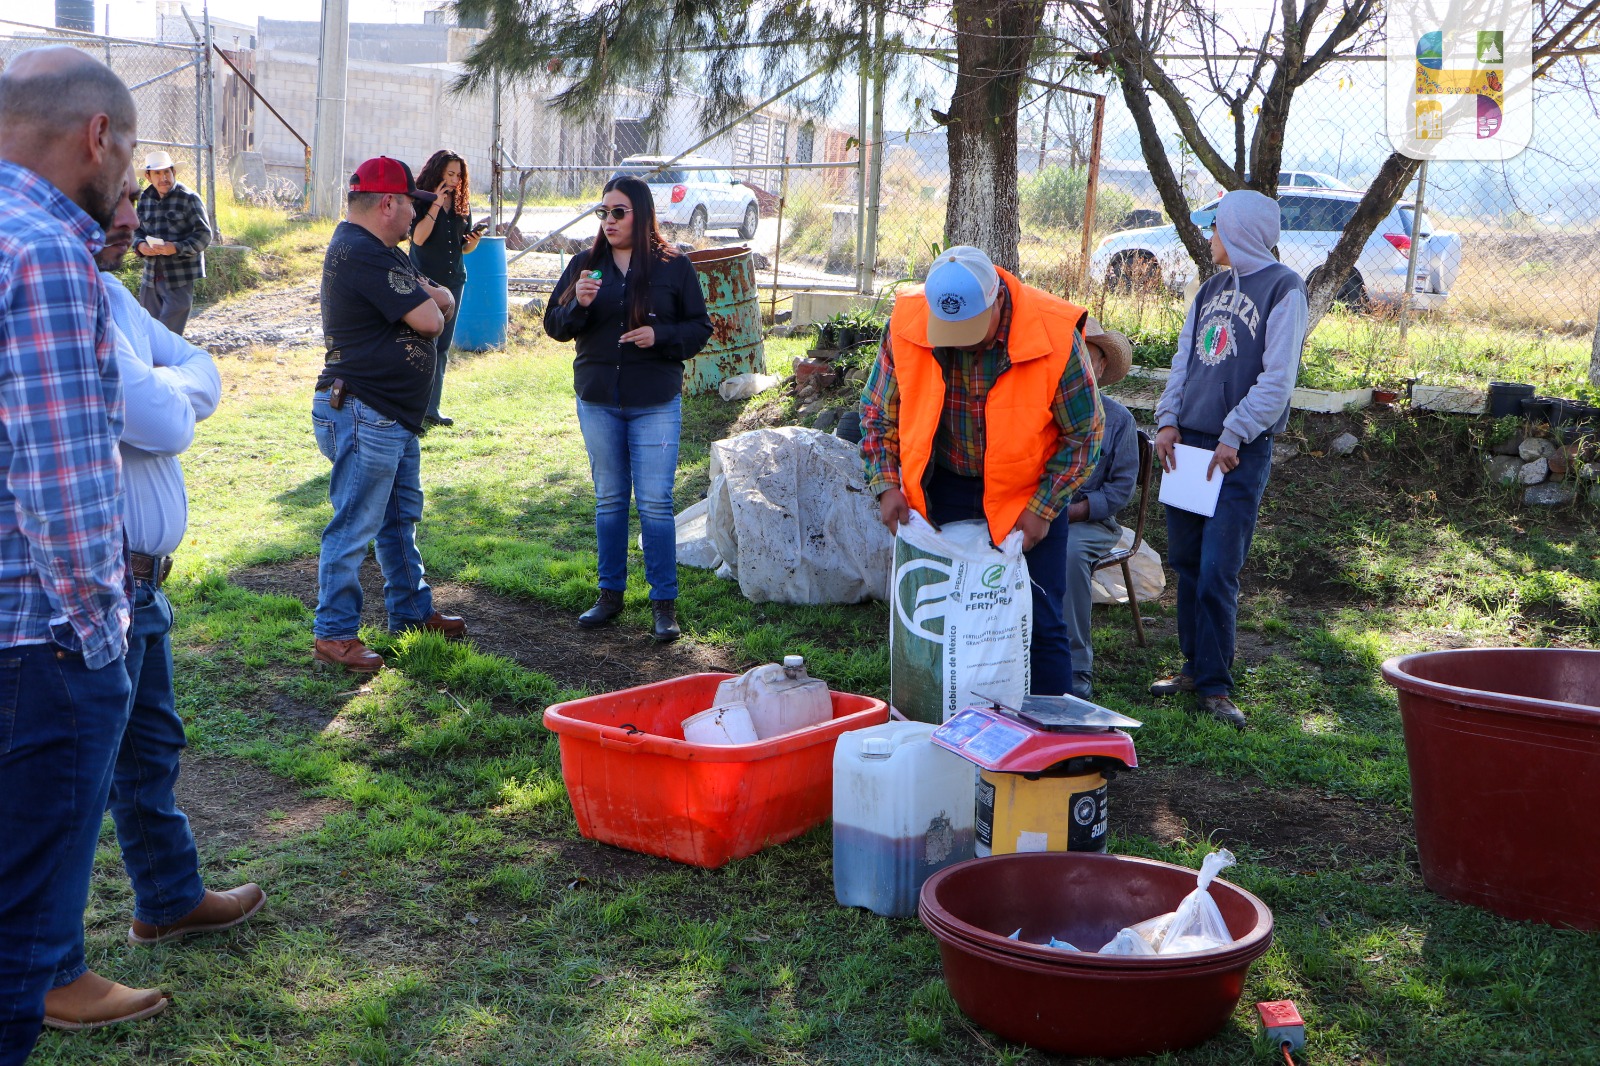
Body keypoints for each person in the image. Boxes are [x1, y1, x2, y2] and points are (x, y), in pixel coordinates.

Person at [41, 169, 264, 1033]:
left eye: (140, 201)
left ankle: (167, 898)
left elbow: (199, 367)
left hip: (145, 581)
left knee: (149, 749)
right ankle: (50, 971)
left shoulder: (104, 288)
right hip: (96, 577)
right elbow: (171, 420)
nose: (138, 219)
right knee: (71, 779)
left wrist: (164, 387)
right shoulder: (62, 294)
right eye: (122, 203)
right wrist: (165, 391)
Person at [0, 46, 138, 1064]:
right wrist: (101, 635)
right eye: (127, 152)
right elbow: (63, 479)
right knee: (15, 942)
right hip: (34, 645)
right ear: (97, 136)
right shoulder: (44, 252)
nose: (128, 176)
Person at [862, 245, 1104, 698]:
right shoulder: (908, 322)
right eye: (949, 329)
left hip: (1027, 491)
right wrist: (886, 484)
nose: (960, 340)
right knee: (939, 619)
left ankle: (1044, 747)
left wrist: (1043, 509)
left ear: (996, 301)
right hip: (940, 487)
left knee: (1041, 618)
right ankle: (940, 733)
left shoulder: (1052, 334)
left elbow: (1085, 436)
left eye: (972, 329)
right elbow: (878, 416)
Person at [1149, 189, 1308, 729]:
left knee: (1219, 566)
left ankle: (1217, 687)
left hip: (1235, 453)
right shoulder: (1208, 288)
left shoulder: (1284, 288)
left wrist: (1236, 433)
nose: (1210, 238)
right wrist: (1167, 421)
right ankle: (1195, 666)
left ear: (1239, 230)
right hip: (1189, 444)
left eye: (1216, 227)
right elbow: (1182, 362)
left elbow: (1278, 380)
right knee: (1188, 562)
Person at [312, 156, 467, 674]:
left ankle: (411, 613)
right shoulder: (364, 253)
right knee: (355, 525)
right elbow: (429, 318)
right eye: (410, 205)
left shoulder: (380, 251)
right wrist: (438, 298)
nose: (415, 216)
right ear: (387, 204)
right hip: (364, 408)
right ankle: (334, 634)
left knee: (400, 519)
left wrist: (435, 298)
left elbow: (429, 309)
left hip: (388, 412)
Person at [544, 175, 713, 642]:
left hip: (654, 401)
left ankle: (664, 604)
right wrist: (577, 306)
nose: (609, 221)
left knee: (656, 502)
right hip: (598, 399)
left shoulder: (673, 267)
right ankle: (609, 595)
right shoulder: (585, 265)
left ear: (641, 214)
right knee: (611, 499)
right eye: (603, 213)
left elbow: (700, 327)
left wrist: (660, 336)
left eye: (618, 212)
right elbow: (555, 327)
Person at [1061, 318, 1139, 701]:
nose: (1077, 367)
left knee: (1069, 551)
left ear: (1102, 366)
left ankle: (1076, 669)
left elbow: (1120, 492)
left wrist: (1072, 513)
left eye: (1085, 358)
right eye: (1069, 358)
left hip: (1091, 521)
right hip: (1038, 513)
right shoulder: (1043, 411)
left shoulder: (1120, 421)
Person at [408, 149, 482, 427]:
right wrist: (436, 205)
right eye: (449, 174)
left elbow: (463, 246)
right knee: (423, 344)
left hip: (454, 280)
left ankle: (432, 409)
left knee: (442, 346)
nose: (453, 180)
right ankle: (413, 405)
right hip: (426, 282)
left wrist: (472, 242)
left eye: (458, 176)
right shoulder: (422, 199)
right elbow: (418, 239)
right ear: (437, 171)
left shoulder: (462, 202)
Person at [132, 149, 211, 336]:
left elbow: (204, 235)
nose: (163, 177)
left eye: (167, 172)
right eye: (157, 173)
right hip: (151, 275)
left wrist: (176, 248)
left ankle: (167, 362)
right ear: (148, 176)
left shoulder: (189, 198)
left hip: (179, 275)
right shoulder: (145, 199)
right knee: (148, 327)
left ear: (174, 172)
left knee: (169, 331)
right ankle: (151, 364)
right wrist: (140, 245)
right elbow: (136, 230)